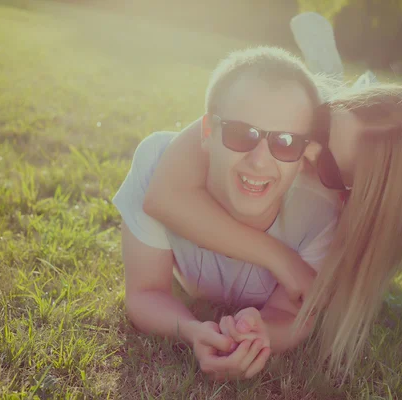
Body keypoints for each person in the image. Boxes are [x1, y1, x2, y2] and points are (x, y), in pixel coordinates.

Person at [142, 80, 402, 376]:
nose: (308, 151)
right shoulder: (287, 99)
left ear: (350, 197)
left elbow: (294, 314)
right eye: (321, 128)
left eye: (328, 166)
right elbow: (163, 196)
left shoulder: (334, 220)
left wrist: (263, 335)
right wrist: (281, 259)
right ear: (329, 108)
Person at [112, 46, 341, 381]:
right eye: (241, 134)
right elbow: (146, 292)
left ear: (305, 152)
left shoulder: (320, 211)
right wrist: (191, 331)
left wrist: (263, 336)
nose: (260, 161)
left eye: (286, 142)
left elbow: (292, 313)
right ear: (207, 132)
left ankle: (330, 68)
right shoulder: (158, 162)